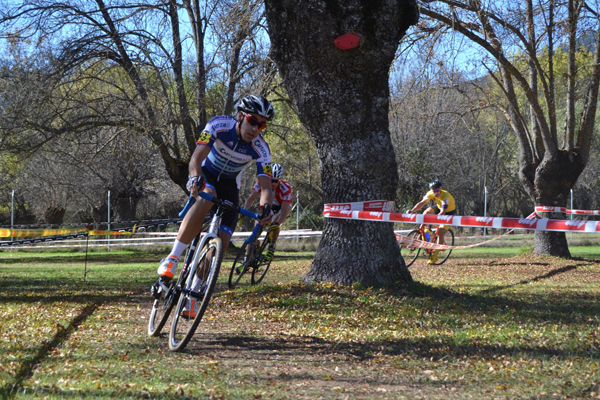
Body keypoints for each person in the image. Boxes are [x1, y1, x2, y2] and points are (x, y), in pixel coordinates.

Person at [157, 94, 275, 318]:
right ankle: (172, 259)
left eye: (262, 125)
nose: (256, 129)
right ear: (240, 116)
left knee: (221, 241)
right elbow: (196, 158)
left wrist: (265, 209)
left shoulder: (261, 148)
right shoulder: (218, 125)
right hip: (207, 175)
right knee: (208, 195)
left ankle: (194, 294)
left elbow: (266, 187)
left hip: (230, 186)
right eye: (252, 121)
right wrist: (194, 178)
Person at [242, 162, 293, 262]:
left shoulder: (285, 188)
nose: (273, 183)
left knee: (274, 221)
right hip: (268, 205)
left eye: (276, 181)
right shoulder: (261, 183)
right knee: (257, 224)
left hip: (281, 206)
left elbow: (284, 210)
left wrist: (277, 223)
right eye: (271, 180)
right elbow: (250, 199)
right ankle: (247, 257)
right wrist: (243, 212)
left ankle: (272, 245)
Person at [407, 179, 456, 264]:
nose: (435, 193)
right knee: (426, 213)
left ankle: (435, 256)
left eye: (437, 191)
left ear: (440, 189)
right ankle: (425, 229)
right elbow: (422, 203)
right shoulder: (431, 193)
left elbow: (443, 212)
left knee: (440, 233)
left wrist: (437, 218)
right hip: (438, 207)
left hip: (448, 211)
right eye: (433, 191)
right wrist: (412, 211)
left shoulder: (445, 196)